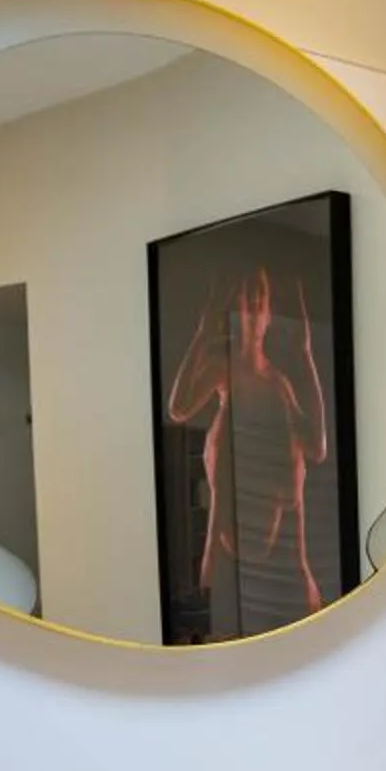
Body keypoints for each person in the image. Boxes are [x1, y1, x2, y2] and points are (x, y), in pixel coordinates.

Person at [163, 266, 332, 622]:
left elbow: (317, 448)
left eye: (261, 296)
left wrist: (304, 353)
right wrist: (202, 332)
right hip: (228, 567)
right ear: (232, 309)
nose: (254, 304)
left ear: (270, 313)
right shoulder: (224, 369)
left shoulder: (280, 383)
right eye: (246, 295)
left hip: (288, 569)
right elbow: (178, 409)